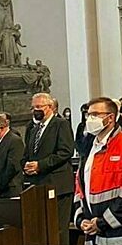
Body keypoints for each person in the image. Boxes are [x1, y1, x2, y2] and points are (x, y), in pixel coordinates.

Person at [74, 97, 122, 245]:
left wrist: (102, 222)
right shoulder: (89, 150)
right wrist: (81, 219)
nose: (90, 119)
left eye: (95, 114)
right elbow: (80, 189)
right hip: (94, 237)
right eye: (89, 115)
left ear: (110, 118)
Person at [23, 92, 76, 227]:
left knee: (57, 227)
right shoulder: (34, 129)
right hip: (38, 184)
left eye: (39, 106)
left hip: (58, 184)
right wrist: (26, 166)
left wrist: (40, 165)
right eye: (33, 107)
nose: (36, 110)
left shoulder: (61, 124)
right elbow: (27, 154)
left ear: (50, 107)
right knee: (42, 227)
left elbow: (65, 151)